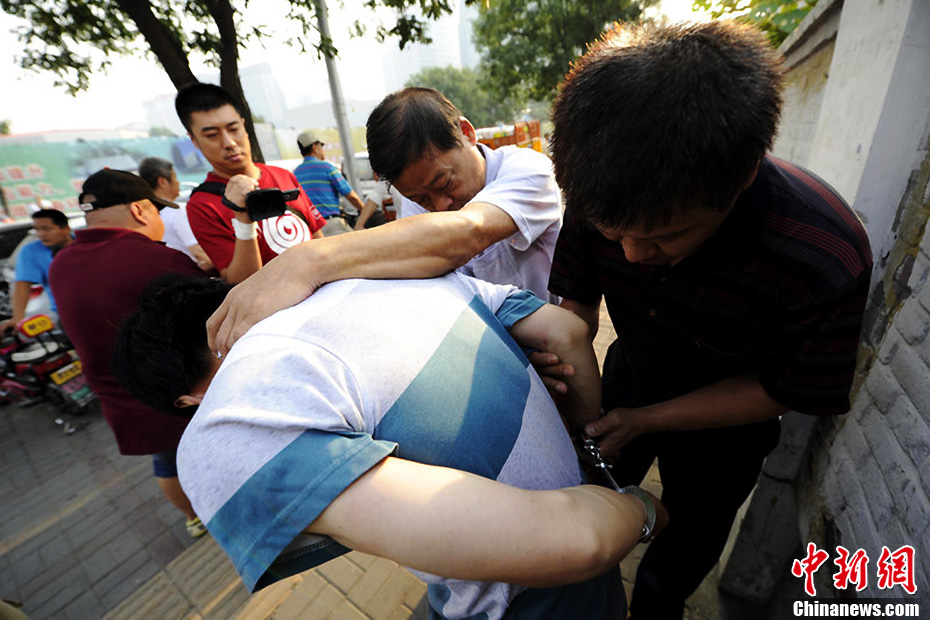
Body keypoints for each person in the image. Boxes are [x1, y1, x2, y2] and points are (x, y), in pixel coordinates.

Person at [545, 21, 873, 619]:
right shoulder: (601, 192)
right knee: (582, 508)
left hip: (728, 428)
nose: (632, 256)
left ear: (741, 176)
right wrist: (563, 369)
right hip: (628, 377)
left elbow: (781, 388)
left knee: (678, 555)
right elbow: (576, 309)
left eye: (664, 237)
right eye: (614, 235)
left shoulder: (822, 254)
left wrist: (645, 420)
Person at [114, 271, 667, 619]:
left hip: (528, 591)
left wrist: (641, 509)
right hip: (586, 542)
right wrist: (586, 448)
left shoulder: (231, 419)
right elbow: (567, 333)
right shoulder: (391, 276)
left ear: (187, 400)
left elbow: (575, 541)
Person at [206, 86, 563, 354]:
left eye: (444, 184)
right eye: (422, 199)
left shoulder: (527, 170)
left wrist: (307, 261)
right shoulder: (420, 203)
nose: (440, 206)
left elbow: (467, 232)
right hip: (497, 344)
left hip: (556, 334)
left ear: (466, 133)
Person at [48, 168, 210, 539]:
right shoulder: (153, 257)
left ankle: (195, 518)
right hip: (178, 395)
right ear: (140, 210)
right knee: (211, 457)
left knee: (166, 464)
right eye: (157, 211)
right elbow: (212, 311)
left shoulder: (60, 265)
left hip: (121, 397)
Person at [174, 83, 326, 284]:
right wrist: (243, 222)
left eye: (233, 129)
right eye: (212, 135)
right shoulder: (202, 205)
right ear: (194, 140)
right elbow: (241, 281)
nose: (229, 143)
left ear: (244, 126)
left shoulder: (283, 175)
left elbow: (317, 238)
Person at [137, 156, 215, 274]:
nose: (178, 182)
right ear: (162, 181)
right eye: (174, 177)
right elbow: (200, 254)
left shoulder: (144, 216)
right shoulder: (176, 210)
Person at [0, 208, 72, 333]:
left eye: (46, 229)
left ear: (66, 228)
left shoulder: (82, 244)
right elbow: (22, 284)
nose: (41, 234)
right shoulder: (32, 251)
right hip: (67, 314)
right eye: (37, 230)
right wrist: (17, 318)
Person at [293, 130, 364, 235]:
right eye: (321, 145)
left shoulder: (295, 174)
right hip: (331, 225)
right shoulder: (327, 168)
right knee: (358, 242)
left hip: (312, 230)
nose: (323, 149)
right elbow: (352, 197)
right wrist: (364, 211)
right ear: (314, 147)